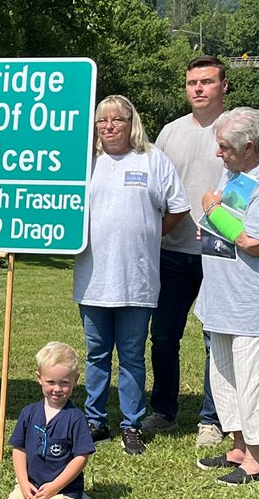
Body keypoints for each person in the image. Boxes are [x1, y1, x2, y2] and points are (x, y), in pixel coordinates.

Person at [73, 95, 188, 455]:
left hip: (137, 278)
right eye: (102, 121)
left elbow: (177, 210)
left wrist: (148, 232)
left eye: (117, 120)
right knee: (96, 354)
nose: (109, 126)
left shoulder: (153, 159)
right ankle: (95, 421)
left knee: (133, 355)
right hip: (93, 279)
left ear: (131, 122)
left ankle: (131, 424)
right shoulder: (84, 162)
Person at [193, 108, 259, 485]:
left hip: (253, 298)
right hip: (222, 294)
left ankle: (256, 460)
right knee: (225, 375)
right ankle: (237, 446)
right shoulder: (235, 171)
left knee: (253, 376)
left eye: (224, 147)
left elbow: (253, 242)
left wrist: (211, 208)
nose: (218, 154)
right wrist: (217, 210)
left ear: (250, 146)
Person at [144, 55, 229, 447]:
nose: (198, 89)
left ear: (223, 86)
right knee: (163, 337)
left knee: (217, 338)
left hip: (221, 252)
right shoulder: (169, 133)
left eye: (207, 82)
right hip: (173, 252)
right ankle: (163, 410)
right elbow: (153, 187)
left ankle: (213, 418)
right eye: (192, 82)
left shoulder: (236, 129)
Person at [4, 342, 96, 499]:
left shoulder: (75, 418)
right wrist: (23, 482)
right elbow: (19, 449)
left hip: (63, 488)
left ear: (75, 380)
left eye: (64, 383)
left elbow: (81, 457)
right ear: (39, 378)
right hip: (33, 483)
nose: (57, 389)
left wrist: (54, 487)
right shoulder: (29, 413)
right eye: (51, 382)